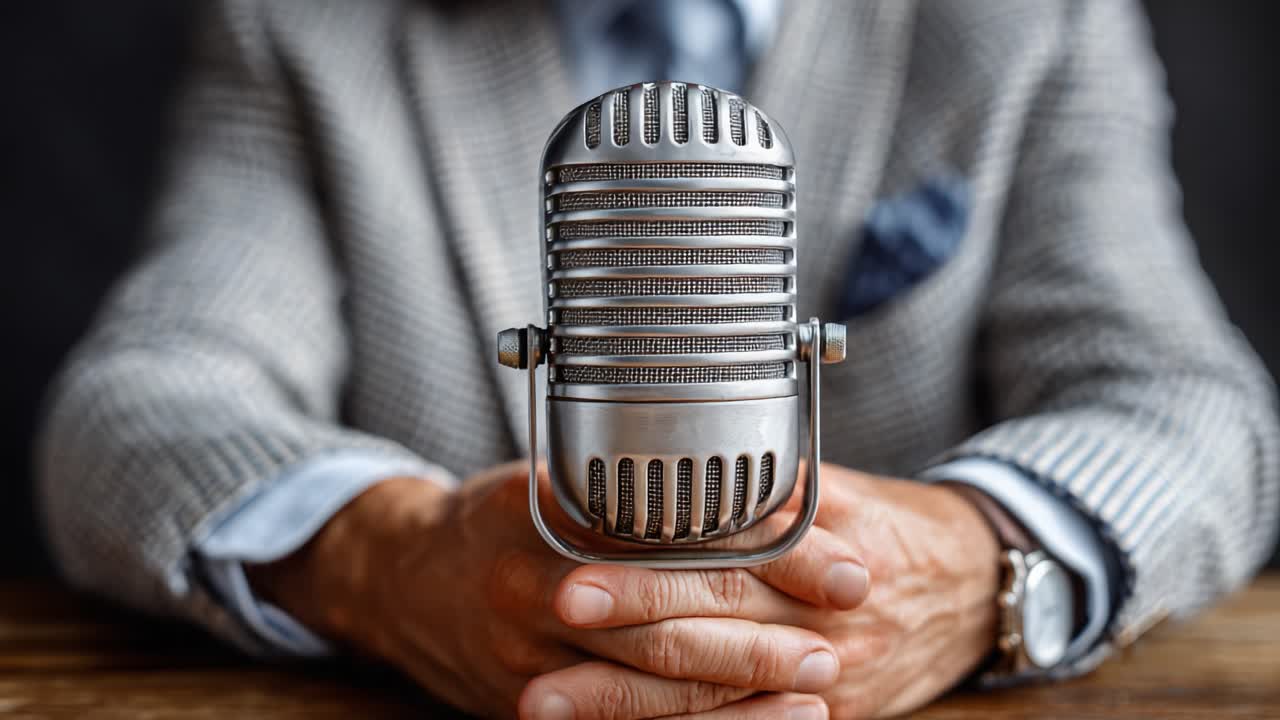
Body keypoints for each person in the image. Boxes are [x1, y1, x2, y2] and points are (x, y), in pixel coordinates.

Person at [37, 0, 1279, 718]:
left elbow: (1186, 403)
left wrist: (975, 568)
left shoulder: (1030, 20)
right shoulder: (299, 27)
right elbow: (140, 399)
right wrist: (387, 557)